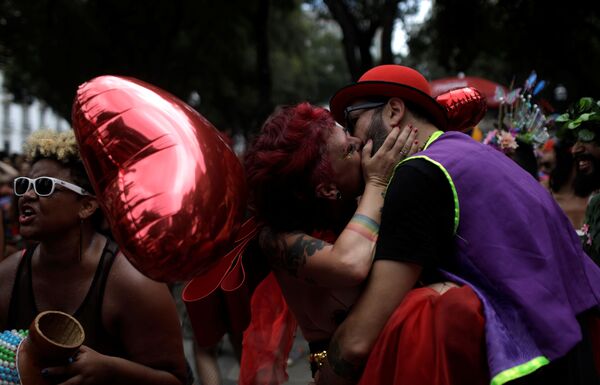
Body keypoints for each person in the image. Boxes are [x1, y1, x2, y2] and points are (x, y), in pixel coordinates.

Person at [316, 65, 600, 385]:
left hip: (535, 364)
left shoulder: (419, 174)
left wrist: (325, 371)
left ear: (394, 111)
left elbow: (361, 335)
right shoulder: (469, 153)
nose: (353, 138)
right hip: (575, 348)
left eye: (354, 120)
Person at [242, 102, 488, 384]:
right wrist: (377, 182)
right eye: (348, 149)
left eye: (348, 134)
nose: (359, 142)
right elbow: (350, 264)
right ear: (327, 189)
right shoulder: (276, 240)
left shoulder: (353, 207)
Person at [0, 130, 189, 385]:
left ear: (87, 206)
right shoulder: (9, 274)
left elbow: (176, 380)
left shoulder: (133, 285)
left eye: (44, 186)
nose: (27, 195)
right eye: (24, 184)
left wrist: (112, 369)